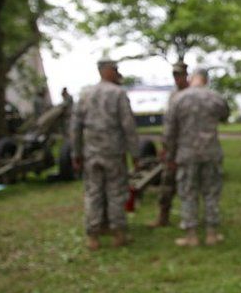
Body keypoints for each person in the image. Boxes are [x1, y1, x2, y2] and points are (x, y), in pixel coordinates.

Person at [72, 58, 140, 250]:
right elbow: (128, 126)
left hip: (91, 153)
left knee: (94, 192)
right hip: (113, 153)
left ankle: (94, 235)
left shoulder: (85, 94)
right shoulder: (118, 94)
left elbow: (75, 127)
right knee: (116, 192)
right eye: (115, 69)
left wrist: (76, 154)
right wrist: (135, 154)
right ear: (107, 71)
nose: (118, 73)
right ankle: (118, 233)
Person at [163, 68, 229, 247]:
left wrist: (169, 154)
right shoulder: (216, 98)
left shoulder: (178, 98)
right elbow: (225, 116)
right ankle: (211, 233)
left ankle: (191, 235)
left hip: (187, 152)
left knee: (188, 192)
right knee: (211, 192)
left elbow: (169, 131)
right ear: (206, 80)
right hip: (211, 151)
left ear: (192, 78)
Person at [149, 61, 190, 228]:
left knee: (189, 184)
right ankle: (162, 216)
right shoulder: (173, 95)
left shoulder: (192, 94)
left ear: (186, 75)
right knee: (167, 182)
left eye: (179, 75)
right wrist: (164, 146)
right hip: (173, 145)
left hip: (189, 145)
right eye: (174, 75)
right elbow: (168, 123)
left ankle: (189, 219)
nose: (177, 78)